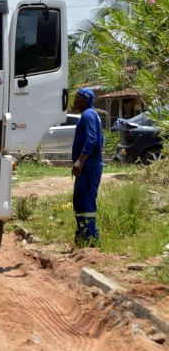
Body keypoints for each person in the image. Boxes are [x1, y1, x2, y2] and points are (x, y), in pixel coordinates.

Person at [71, 87, 104, 247]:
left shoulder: (88, 114)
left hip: (89, 167)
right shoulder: (89, 115)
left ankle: (90, 239)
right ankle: (83, 236)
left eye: (78, 97)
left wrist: (80, 161)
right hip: (88, 166)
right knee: (80, 200)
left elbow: (92, 139)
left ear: (85, 99)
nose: (75, 100)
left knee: (86, 201)